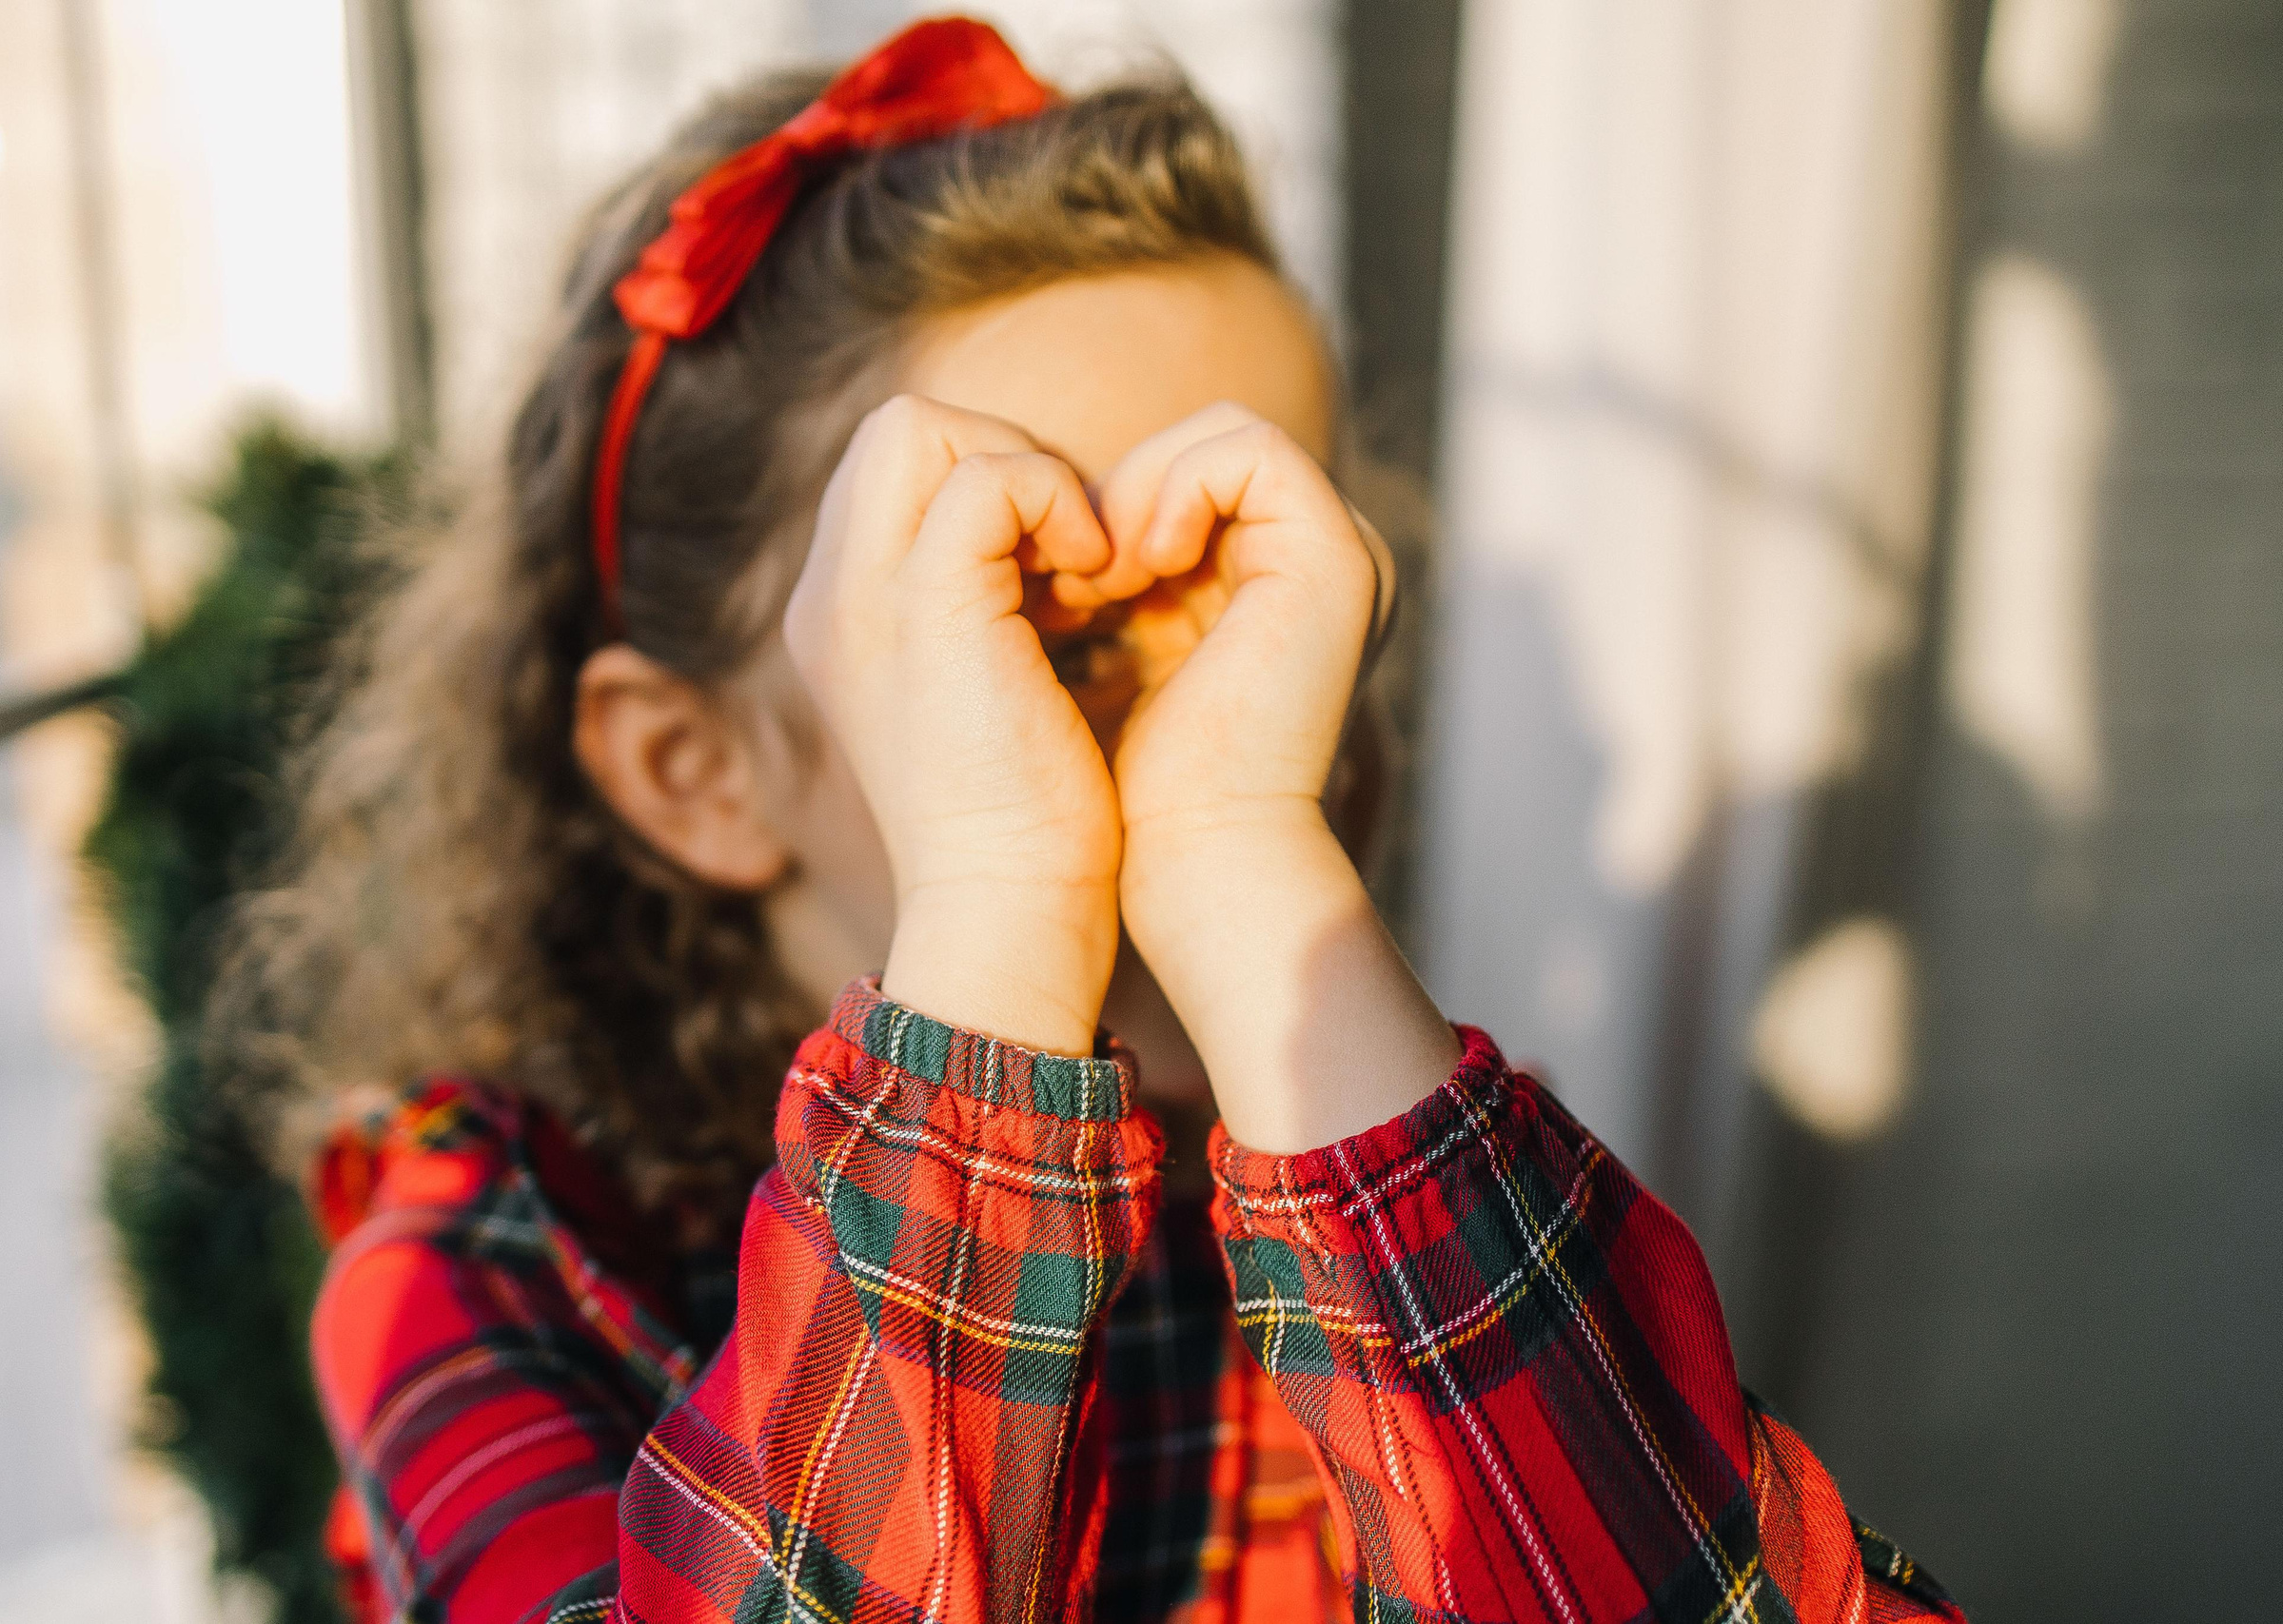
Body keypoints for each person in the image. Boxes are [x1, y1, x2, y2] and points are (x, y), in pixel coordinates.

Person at [235, 18, 1963, 1624]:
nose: (1231, 695)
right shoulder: (484, 1259)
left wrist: (1266, 908)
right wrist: (1002, 889)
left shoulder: (1405, 1194)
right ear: (698, 769)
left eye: (1267, 578)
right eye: (1028, 607)